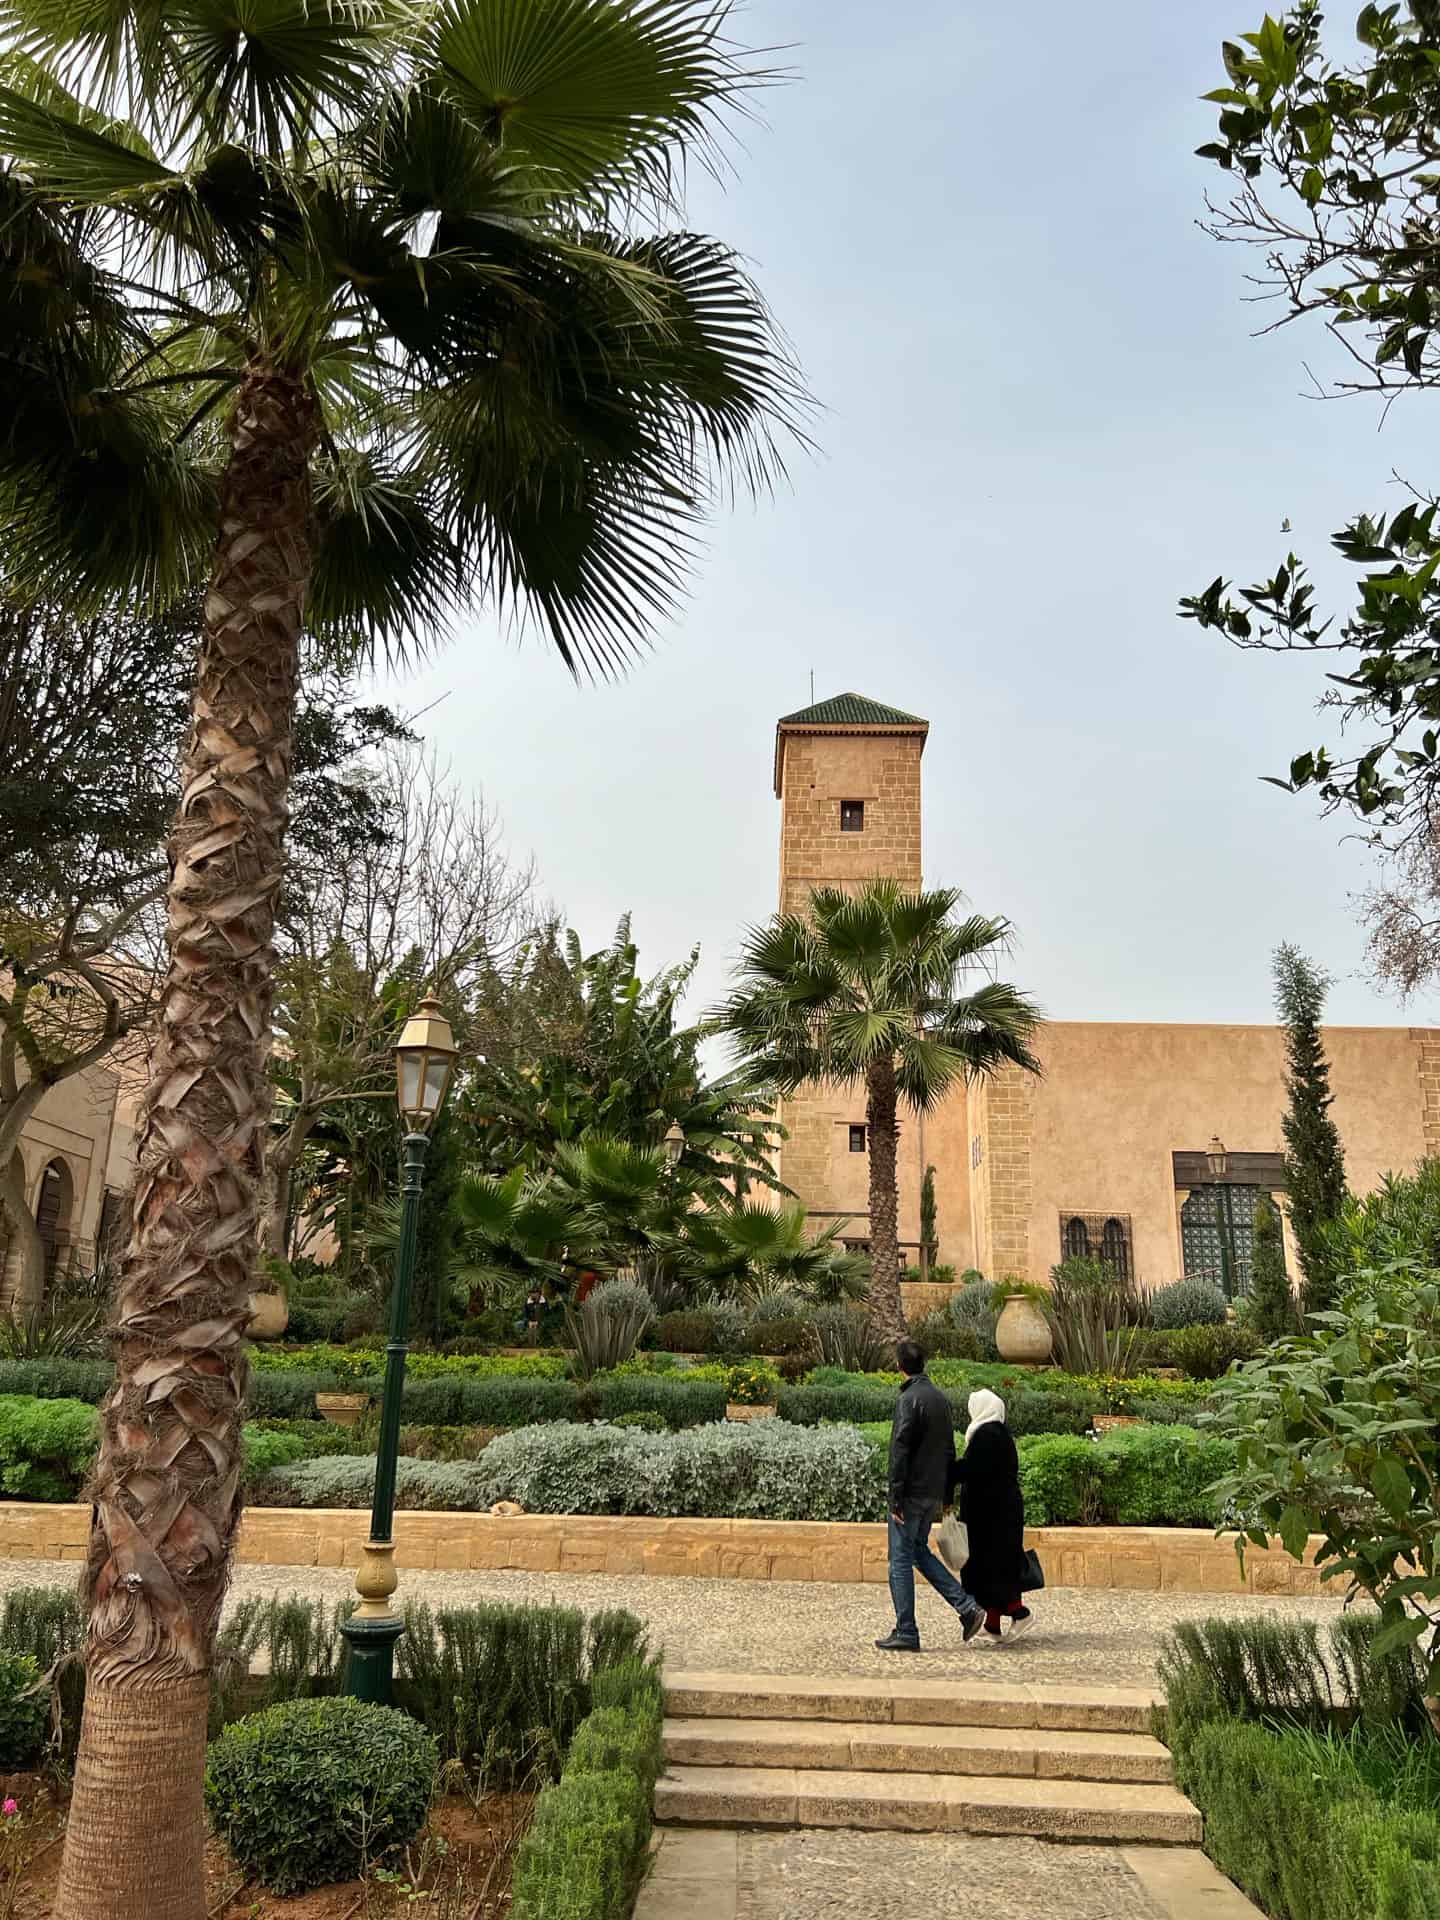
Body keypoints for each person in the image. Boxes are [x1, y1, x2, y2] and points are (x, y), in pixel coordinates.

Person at [876, 1339, 984, 1652]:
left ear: (899, 1367)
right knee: (918, 1552)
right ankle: (967, 1607)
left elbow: (900, 1449)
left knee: (899, 1560)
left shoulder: (909, 1399)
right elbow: (949, 1450)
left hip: (910, 1494)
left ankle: (906, 1630)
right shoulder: (938, 1398)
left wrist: (895, 1496)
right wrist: (946, 1494)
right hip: (932, 1493)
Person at [950, 1388, 1033, 1642]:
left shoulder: (987, 1435)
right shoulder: (997, 1433)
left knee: (996, 1566)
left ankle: (1020, 1613)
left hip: (994, 1516)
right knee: (989, 1566)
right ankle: (992, 1624)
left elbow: (971, 1469)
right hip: (996, 1513)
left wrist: (944, 1470)